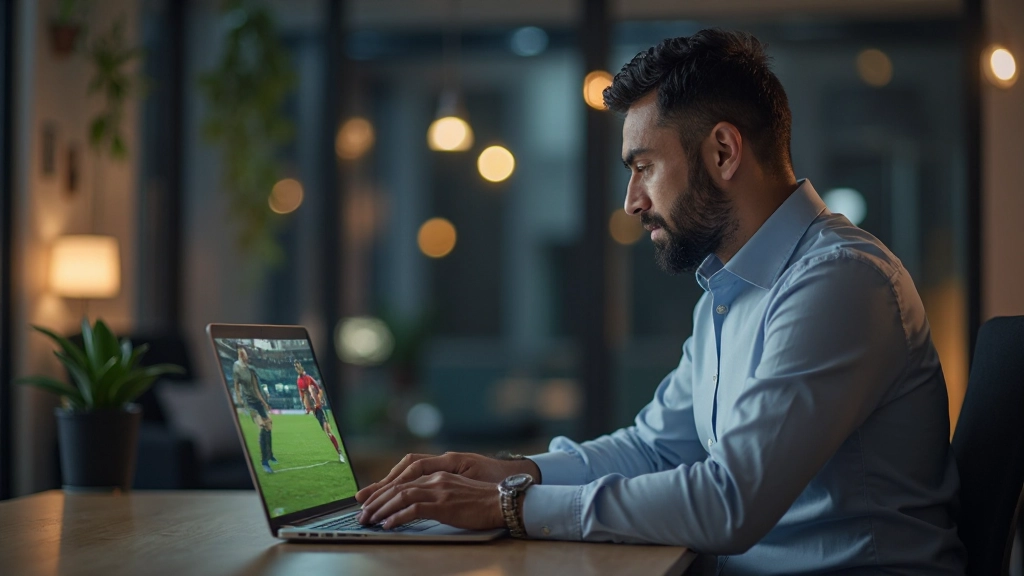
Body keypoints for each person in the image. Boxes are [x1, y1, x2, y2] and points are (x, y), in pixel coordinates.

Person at [354, 29, 966, 573]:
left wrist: (510, 505)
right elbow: (655, 447)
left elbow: (732, 502)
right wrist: (515, 472)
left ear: (723, 152)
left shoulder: (838, 281)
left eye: (644, 166)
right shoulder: (728, 290)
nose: (632, 201)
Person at [233, 346, 276, 474]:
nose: (246, 356)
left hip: (257, 402)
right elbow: (236, 387)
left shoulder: (251, 370)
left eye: (245, 354)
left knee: (269, 426)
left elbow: (257, 390)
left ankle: (270, 454)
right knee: (262, 426)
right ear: (241, 355)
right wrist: (240, 400)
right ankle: (265, 462)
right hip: (248, 403)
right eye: (243, 354)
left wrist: (264, 403)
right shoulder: (236, 369)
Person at [295, 361, 345, 463]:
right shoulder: (299, 381)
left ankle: (340, 454)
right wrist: (307, 408)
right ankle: (339, 452)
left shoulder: (308, 378)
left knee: (328, 432)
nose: (297, 368)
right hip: (315, 411)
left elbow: (319, 390)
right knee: (327, 432)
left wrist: (319, 400)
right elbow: (302, 395)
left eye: (298, 366)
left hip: (319, 408)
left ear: (301, 367)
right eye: (295, 367)